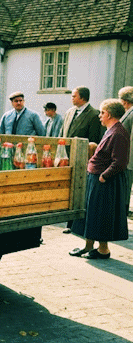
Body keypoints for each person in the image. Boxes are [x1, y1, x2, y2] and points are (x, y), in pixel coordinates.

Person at [69, 99, 129, 259]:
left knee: (101, 214)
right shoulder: (112, 130)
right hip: (96, 178)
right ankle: (88, 246)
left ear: (109, 114)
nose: (100, 116)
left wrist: (104, 176)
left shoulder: (118, 133)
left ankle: (103, 250)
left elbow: (120, 162)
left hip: (104, 181)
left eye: (102, 113)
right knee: (93, 213)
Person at [60, 86, 103, 233]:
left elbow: (94, 140)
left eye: (74, 96)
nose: (71, 98)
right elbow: (62, 134)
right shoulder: (69, 112)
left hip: (83, 159)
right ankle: (69, 223)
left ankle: (77, 225)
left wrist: (89, 160)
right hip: (67, 157)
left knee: (80, 191)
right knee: (69, 190)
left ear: (82, 98)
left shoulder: (93, 114)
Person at [118, 86, 133, 216]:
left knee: (126, 188)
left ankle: (123, 214)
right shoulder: (129, 112)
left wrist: (129, 161)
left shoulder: (132, 113)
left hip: (129, 159)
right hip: (126, 157)